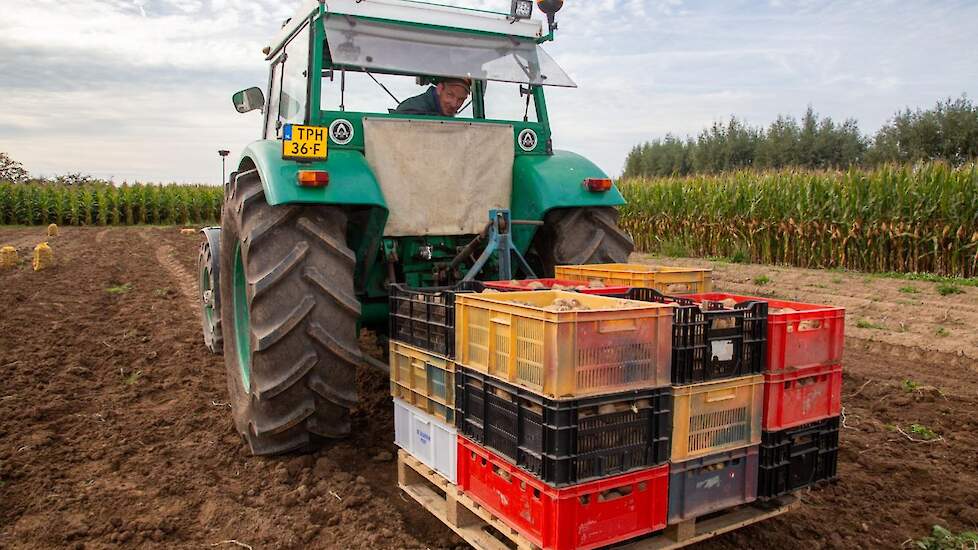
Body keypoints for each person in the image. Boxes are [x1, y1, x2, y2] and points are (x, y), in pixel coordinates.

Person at [395, 77, 471, 117]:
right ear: (439, 89)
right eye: (450, 95)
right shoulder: (410, 110)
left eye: (461, 99)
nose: (454, 104)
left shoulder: (445, 114)